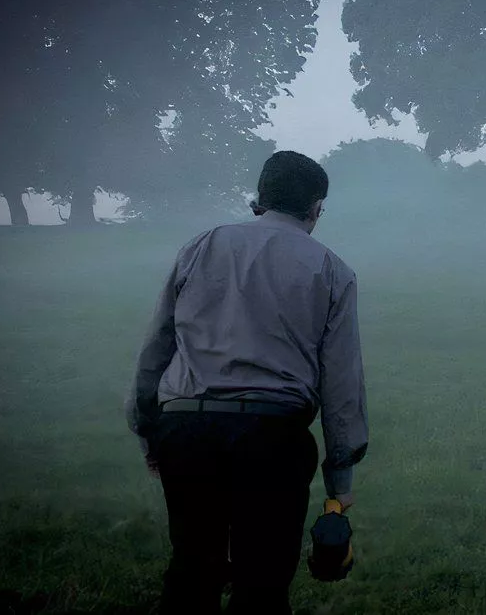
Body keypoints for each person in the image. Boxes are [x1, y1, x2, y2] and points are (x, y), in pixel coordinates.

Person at [126, 150, 368, 614]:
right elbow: (342, 382)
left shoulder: (200, 247)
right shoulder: (332, 270)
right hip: (273, 438)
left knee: (191, 569)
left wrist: (148, 431)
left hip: (185, 430)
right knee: (263, 583)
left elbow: (157, 346)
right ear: (316, 207)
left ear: (260, 199)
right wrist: (340, 480)